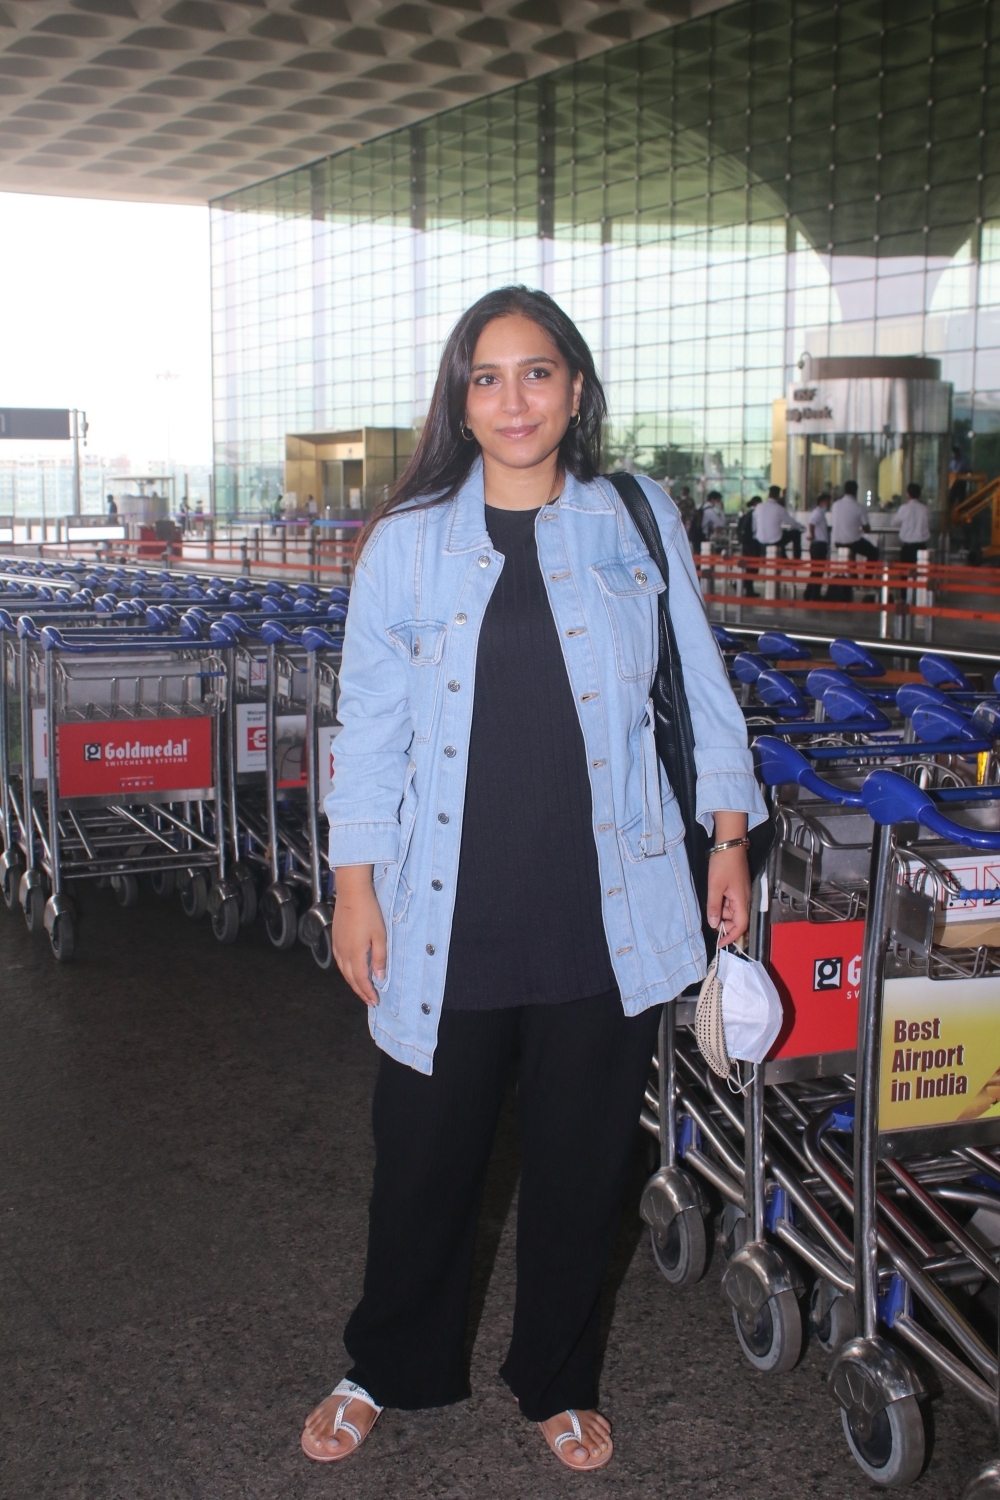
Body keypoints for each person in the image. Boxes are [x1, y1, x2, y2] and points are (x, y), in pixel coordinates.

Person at [304, 286, 766, 1473]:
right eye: (487, 377)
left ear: (575, 387)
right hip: (443, 911)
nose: (513, 401)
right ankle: (384, 1363)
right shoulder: (407, 542)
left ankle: (557, 1378)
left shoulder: (635, 517)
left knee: (580, 1166)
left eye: (537, 372)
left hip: (603, 908)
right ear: (459, 400)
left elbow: (700, 683)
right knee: (422, 1163)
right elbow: (369, 731)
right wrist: (353, 887)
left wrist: (727, 840)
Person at [803, 492, 830, 601]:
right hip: (818, 545)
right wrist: (812, 534)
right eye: (828, 502)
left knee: (815, 571)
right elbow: (811, 524)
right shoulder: (818, 512)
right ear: (822, 502)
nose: (829, 504)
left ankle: (809, 593)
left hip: (819, 545)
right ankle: (815, 595)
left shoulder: (820, 513)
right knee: (818, 571)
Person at [896, 482, 931, 564]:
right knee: (921, 570)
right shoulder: (925, 509)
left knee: (905, 570)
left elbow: (894, 522)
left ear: (908, 494)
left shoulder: (903, 508)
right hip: (921, 547)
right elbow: (929, 521)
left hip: (907, 547)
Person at [736, 495, 761, 596]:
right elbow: (755, 529)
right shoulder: (755, 513)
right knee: (753, 567)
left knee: (748, 566)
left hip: (746, 543)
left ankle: (742, 585)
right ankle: (748, 588)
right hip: (753, 543)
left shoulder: (748, 513)